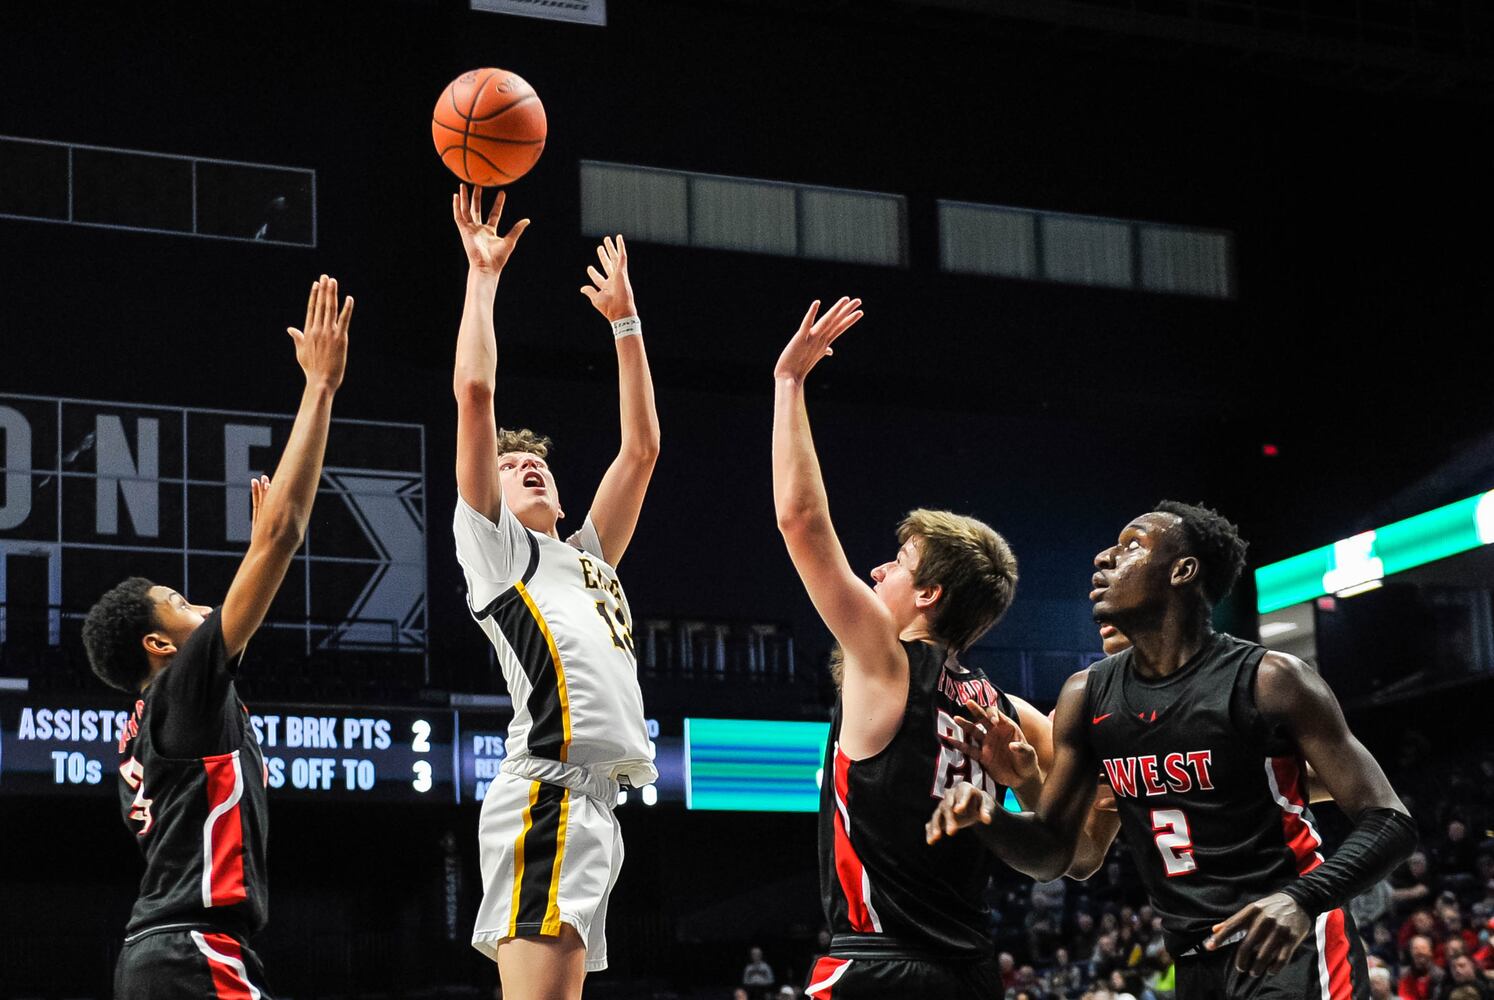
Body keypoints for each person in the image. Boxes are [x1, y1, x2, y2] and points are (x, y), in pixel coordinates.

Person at [929, 501, 1417, 998]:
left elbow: (1390, 820)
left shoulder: (1273, 680)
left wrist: (1303, 898)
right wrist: (991, 814)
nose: (1103, 558)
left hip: (1288, 938)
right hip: (1192, 956)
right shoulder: (1085, 696)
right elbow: (1063, 856)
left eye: (1131, 546)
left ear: (1183, 571)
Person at [84, 276, 353, 999]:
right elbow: (288, 531)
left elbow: (270, 548)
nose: (196, 602)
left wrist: (262, 547)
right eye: (175, 602)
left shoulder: (164, 714)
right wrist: (321, 386)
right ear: (158, 646)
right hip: (189, 955)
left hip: (163, 955)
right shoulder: (181, 689)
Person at [770, 297, 1021, 998]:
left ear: (931, 595)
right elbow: (1084, 826)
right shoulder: (1003, 708)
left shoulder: (886, 660)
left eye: (898, 561)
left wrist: (790, 384)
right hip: (973, 970)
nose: (876, 570)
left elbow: (801, 522)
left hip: (881, 964)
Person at [448, 185, 661, 998]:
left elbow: (640, 448)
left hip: (593, 806)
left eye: (537, 461)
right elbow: (475, 395)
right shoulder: (499, 551)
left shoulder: (588, 556)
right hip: (547, 793)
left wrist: (625, 324)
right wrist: (483, 275)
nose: (525, 464)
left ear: (564, 498)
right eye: (507, 465)